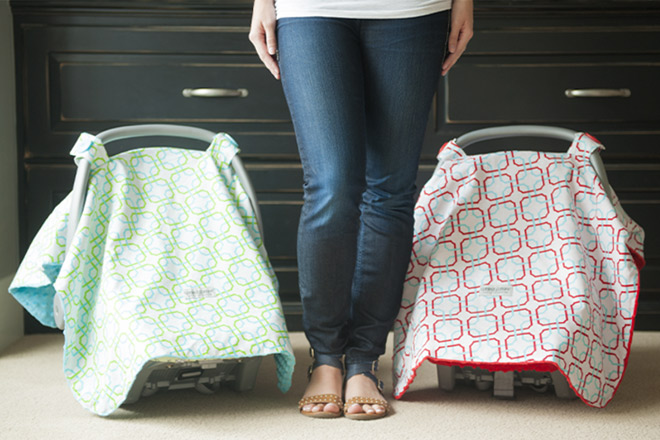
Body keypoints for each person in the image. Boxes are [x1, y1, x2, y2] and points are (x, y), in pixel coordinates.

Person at [249, 0, 473, 420]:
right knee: (331, 185)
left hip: (413, 11)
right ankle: (327, 356)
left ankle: (364, 360)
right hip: (310, 9)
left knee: (389, 190)